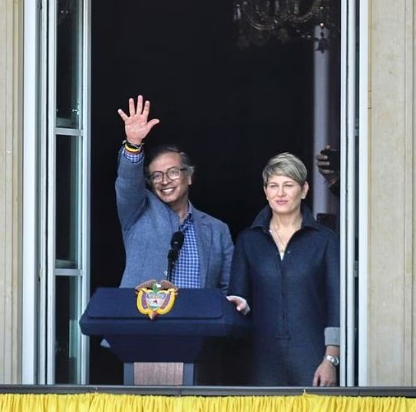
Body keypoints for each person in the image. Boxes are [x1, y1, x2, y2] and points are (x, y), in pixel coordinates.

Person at [227, 152, 341, 386]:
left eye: (288, 185)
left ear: (304, 189)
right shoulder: (248, 240)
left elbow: (336, 304)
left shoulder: (325, 240)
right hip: (261, 360)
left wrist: (330, 359)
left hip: (312, 359)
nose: (280, 193)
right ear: (265, 191)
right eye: (273, 186)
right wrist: (242, 306)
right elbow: (239, 300)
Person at [114, 95, 233, 293]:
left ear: (189, 176)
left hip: (197, 322)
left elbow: (227, 290)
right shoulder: (136, 213)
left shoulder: (217, 230)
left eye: (173, 172)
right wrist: (133, 144)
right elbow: (127, 183)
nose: (165, 180)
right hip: (143, 321)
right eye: (156, 175)